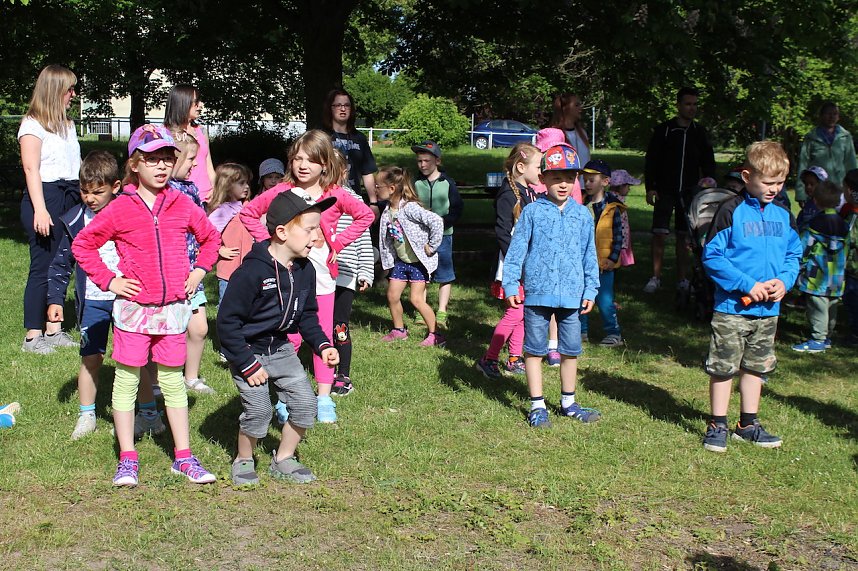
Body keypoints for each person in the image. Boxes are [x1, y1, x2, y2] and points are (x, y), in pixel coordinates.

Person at [72, 125, 220, 486]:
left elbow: (210, 238)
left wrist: (199, 271)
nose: (161, 166)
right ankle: (127, 458)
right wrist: (111, 281)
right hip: (132, 312)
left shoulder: (182, 203)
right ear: (135, 164)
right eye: (152, 159)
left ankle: (183, 457)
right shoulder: (120, 208)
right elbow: (83, 246)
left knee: (171, 381)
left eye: (167, 158)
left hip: (172, 311)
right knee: (126, 381)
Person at [239, 129, 374, 424]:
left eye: (310, 160)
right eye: (297, 158)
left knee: (323, 337)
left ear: (325, 163)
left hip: (323, 277)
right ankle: (286, 397)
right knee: (290, 336)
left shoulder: (336, 194)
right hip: (285, 275)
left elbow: (366, 216)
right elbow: (248, 214)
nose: (302, 165)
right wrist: (269, 242)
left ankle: (324, 399)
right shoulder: (281, 192)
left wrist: (337, 242)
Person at [218, 192, 339, 485]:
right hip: (248, 352)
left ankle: (283, 458)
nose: (316, 236)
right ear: (282, 232)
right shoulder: (251, 272)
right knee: (259, 410)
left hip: (282, 350)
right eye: (309, 229)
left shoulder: (305, 268)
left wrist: (322, 344)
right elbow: (227, 323)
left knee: (306, 406)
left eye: (318, 228)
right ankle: (243, 459)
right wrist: (247, 364)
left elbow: (307, 315)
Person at [701, 141, 801, 453]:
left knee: (756, 366)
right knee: (723, 366)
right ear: (747, 176)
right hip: (732, 308)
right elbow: (712, 257)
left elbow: (793, 255)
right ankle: (718, 423)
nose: (775, 188)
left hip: (768, 311)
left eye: (780, 182)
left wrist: (784, 282)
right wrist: (746, 284)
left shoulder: (784, 215)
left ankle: (747, 424)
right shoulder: (730, 211)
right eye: (768, 182)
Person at [502, 143, 601, 428]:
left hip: (572, 296)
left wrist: (590, 289)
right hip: (536, 294)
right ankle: (537, 405)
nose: (563, 184)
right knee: (534, 350)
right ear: (543, 178)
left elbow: (588, 256)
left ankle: (569, 402)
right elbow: (516, 251)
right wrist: (510, 285)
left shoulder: (583, 215)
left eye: (570, 178)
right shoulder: (532, 212)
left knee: (570, 351)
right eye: (557, 178)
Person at [46, 151, 130, 440]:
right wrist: (55, 299)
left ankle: (145, 411)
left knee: (133, 360)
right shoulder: (75, 220)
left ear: (115, 187)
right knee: (90, 357)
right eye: (84, 191)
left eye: (98, 192)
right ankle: (87, 414)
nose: (90, 198)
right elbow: (61, 263)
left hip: (128, 299)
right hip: (93, 299)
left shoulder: (130, 213)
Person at [18, 64, 82, 354]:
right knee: (42, 266)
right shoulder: (31, 125)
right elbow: (31, 169)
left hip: (70, 196)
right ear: (55, 90)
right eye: (69, 89)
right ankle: (33, 335)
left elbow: (74, 166)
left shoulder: (67, 125)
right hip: (45, 196)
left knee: (63, 262)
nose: (73, 94)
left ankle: (53, 328)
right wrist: (41, 210)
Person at [475, 142, 541, 379]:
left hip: (527, 264)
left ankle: (514, 358)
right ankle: (489, 359)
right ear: (521, 167)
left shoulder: (530, 192)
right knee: (514, 313)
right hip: (512, 267)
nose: (541, 171)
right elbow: (503, 232)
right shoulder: (507, 194)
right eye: (538, 166)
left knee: (523, 313)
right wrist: (517, 262)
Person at [643, 86, 716, 296]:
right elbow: (652, 161)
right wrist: (651, 188)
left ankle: (682, 279)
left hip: (690, 193)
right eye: (687, 104)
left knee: (685, 238)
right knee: (659, 233)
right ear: (678, 105)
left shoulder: (700, 133)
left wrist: (708, 183)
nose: (691, 108)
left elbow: (708, 162)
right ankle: (655, 277)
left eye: (695, 104)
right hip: (665, 190)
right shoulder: (664, 130)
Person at [164, 130, 216, 394]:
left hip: (193, 271)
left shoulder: (191, 188)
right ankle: (157, 382)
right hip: (170, 273)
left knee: (199, 328)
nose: (195, 164)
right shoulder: (163, 192)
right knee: (167, 332)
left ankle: (191, 377)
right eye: (190, 160)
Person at [377, 166, 446, 347]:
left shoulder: (409, 208)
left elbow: (437, 221)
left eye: (378, 186)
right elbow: (388, 240)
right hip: (401, 262)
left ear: (391, 189)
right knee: (392, 296)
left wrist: (432, 246)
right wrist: (389, 261)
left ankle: (435, 334)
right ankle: (399, 330)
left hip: (418, 263)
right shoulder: (386, 211)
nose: (375, 189)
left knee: (416, 299)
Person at [329, 150, 374, 396]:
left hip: (344, 275)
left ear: (344, 172)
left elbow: (364, 241)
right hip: (316, 274)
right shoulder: (314, 199)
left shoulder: (353, 200)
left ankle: (343, 374)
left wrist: (365, 271)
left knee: (340, 325)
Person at [411, 141, 464, 328]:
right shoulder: (415, 183)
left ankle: (442, 311)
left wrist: (442, 223)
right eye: (419, 161)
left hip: (444, 235)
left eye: (426, 160)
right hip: (420, 237)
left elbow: (457, 209)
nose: (423, 165)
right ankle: (421, 308)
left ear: (437, 161)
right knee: (421, 273)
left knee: (444, 273)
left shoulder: (447, 183)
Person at [791, 181, 848, 353]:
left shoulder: (814, 224)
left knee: (818, 308)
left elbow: (803, 248)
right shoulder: (844, 225)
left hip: (817, 276)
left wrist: (798, 266)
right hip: (837, 276)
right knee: (832, 307)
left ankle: (818, 339)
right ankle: (827, 337)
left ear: (815, 200)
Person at [581, 159, 625, 347]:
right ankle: (580, 332)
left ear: (605, 182)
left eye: (592, 180)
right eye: (585, 180)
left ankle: (613, 334)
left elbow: (618, 237)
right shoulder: (581, 204)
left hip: (604, 264)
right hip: (583, 261)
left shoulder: (613, 208)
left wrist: (611, 259)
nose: (587, 184)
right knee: (581, 298)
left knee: (605, 300)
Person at [795, 101, 858, 207]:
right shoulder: (811, 138)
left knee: (840, 221)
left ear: (838, 117)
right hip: (818, 191)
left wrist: (855, 189)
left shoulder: (845, 137)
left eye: (835, 114)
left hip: (841, 190)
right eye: (828, 114)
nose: (831, 117)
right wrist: (801, 194)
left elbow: (851, 165)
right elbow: (803, 165)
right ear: (821, 116)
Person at [208, 163, 253, 304]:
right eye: (241, 183)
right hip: (230, 270)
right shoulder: (225, 209)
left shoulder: (245, 205)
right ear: (227, 185)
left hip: (247, 269)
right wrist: (219, 249)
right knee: (227, 305)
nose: (246, 186)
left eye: (247, 183)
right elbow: (207, 233)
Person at [322, 88, 378, 204]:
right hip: (327, 200)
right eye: (338, 105)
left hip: (353, 200)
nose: (343, 109)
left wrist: (373, 203)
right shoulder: (321, 136)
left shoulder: (360, 138)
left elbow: (367, 173)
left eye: (347, 105)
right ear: (330, 108)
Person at [163, 84, 216, 202]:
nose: (201, 106)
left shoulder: (201, 131)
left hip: (206, 198)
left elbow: (209, 165)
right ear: (183, 102)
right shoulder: (164, 133)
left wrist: (216, 189)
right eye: (196, 102)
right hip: (179, 197)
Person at [609, 169, 640, 268]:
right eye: (627, 186)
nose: (629, 189)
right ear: (620, 186)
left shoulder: (612, 200)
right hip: (618, 240)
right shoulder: (616, 204)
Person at [841, 169, 858, 346]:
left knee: (853, 298)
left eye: (844, 188)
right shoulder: (849, 211)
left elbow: (851, 238)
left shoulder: (854, 215)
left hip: (854, 267)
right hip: (851, 267)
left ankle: (855, 333)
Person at [795, 166, 829, 231]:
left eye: (812, 184)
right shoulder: (808, 205)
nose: (808, 187)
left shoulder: (827, 204)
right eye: (806, 184)